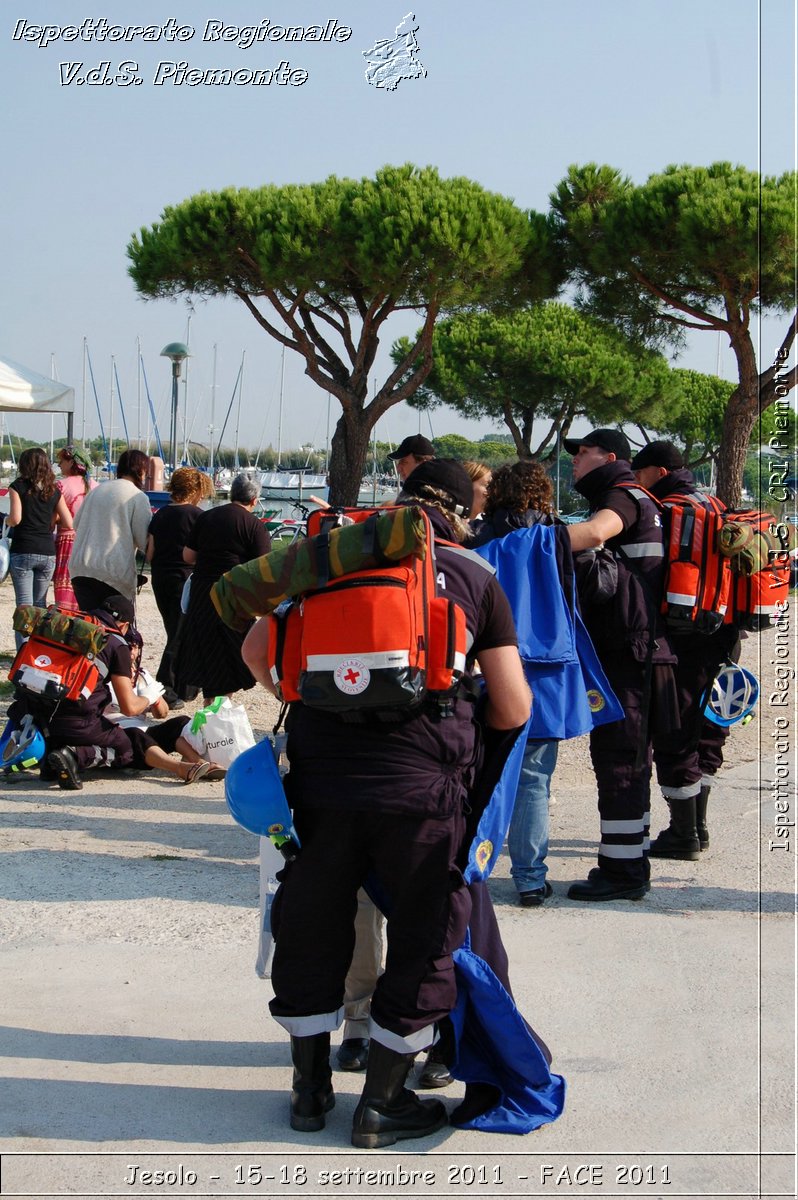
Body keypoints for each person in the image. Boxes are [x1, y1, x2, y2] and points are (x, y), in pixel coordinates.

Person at [239, 459, 531, 1147]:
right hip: (424, 788)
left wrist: (309, 702)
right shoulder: (472, 575)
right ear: (463, 511)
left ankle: (309, 1091)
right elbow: (515, 704)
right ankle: (382, 1106)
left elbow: (257, 652)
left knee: (312, 924)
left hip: (320, 781)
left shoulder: (328, 557)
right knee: (426, 934)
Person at [564, 429, 678, 902]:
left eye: (582, 453)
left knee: (620, 760)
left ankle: (624, 873)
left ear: (609, 457)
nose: (573, 461)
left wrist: (529, 543)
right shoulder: (642, 496)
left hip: (632, 650)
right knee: (632, 758)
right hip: (647, 648)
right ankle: (628, 859)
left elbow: (593, 534)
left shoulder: (623, 496)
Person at [630, 440, 739, 858]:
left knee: (676, 728)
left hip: (682, 636)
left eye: (640, 474)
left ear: (658, 472)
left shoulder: (666, 510)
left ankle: (683, 833)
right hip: (725, 633)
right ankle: (700, 826)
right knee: (710, 728)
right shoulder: (718, 505)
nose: (637, 482)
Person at [8, 593, 222, 790]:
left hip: (33, 718)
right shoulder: (114, 642)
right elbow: (129, 707)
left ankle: (54, 758)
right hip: (77, 724)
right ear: (125, 625)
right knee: (127, 746)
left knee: (143, 734)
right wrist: (148, 697)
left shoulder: (65, 625)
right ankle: (74, 755)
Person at [468, 460, 560, 907]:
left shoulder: (478, 538)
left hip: (485, 664)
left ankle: (469, 863)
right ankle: (529, 878)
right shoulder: (558, 537)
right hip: (545, 667)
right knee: (534, 779)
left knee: (473, 768)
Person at [175, 474, 271, 702]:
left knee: (208, 654)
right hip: (233, 597)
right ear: (254, 499)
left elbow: (188, 556)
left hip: (202, 594)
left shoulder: (207, 517)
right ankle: (220, 712)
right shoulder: (255, 526)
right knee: (229, 658)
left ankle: (212, 709)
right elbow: (263, 568)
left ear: (231, 494)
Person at [146, 467, 214, 709]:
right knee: (179, 634)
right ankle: (166, 688)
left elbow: (150, 552)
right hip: (184, 579)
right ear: (196, 490)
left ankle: (184, 685)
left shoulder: (160, 515)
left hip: (160, 577)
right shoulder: (198, 516)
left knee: (174, 630)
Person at [69, 448, 152, 611]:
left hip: (81, 568)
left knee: (90, 628)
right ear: (141, 470)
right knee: (114, 630)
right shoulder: (137, 496)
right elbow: (144, 540)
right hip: (112, 572)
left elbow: (76, 524)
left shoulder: (97, 490)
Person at [6, 448, 73, 648]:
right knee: (40, 606)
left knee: (25, 607)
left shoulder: (17, 486)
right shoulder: (54, 490)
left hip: (23, 549)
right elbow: (69, 522)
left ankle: (23, 656)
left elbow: (15, 518)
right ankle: (38, 653)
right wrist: (51, 518)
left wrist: (7, 521)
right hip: (47, 552)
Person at [53, 446, 97, 612]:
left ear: (71, 462)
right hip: (91, 542)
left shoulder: (60, 485)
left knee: (66, 591)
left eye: (61, 461)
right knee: (86, 590)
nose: (59, 465)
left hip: (68, 541)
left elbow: (56, 517)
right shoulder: (96, 486)